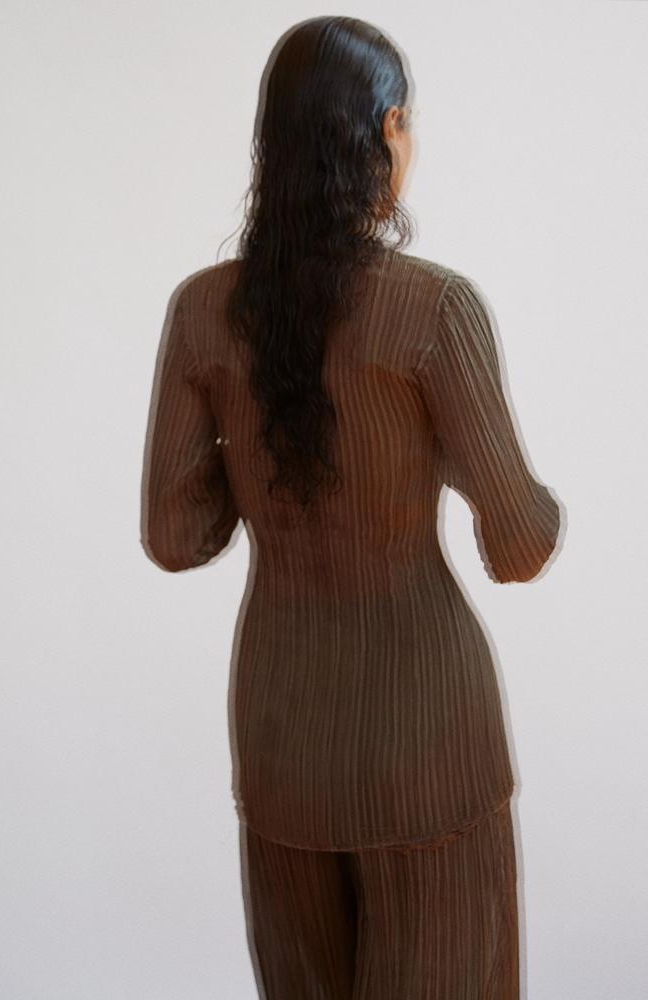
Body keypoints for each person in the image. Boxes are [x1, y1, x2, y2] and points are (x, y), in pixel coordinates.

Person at [140, 15, 564, 1000]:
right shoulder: (435, 309)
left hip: (282, 740)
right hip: (427, 744)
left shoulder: (202, 312)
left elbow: (176, 534)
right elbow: (520, 545)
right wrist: (482, 475)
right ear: (387, 130)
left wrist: (265, 462)